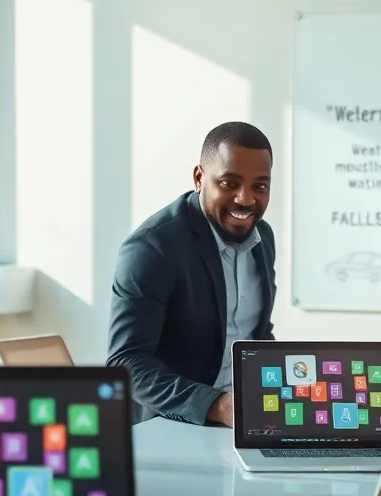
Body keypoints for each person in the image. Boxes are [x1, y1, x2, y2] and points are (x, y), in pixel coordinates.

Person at [107, 121, 278, 426]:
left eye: (259, 186)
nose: (246, 199)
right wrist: (219, 406)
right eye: (229, 183)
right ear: (200, 178)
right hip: (168, 427)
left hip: (246, 423)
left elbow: (256, 335)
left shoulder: (262, 238)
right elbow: (126, 362)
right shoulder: (151, 248)